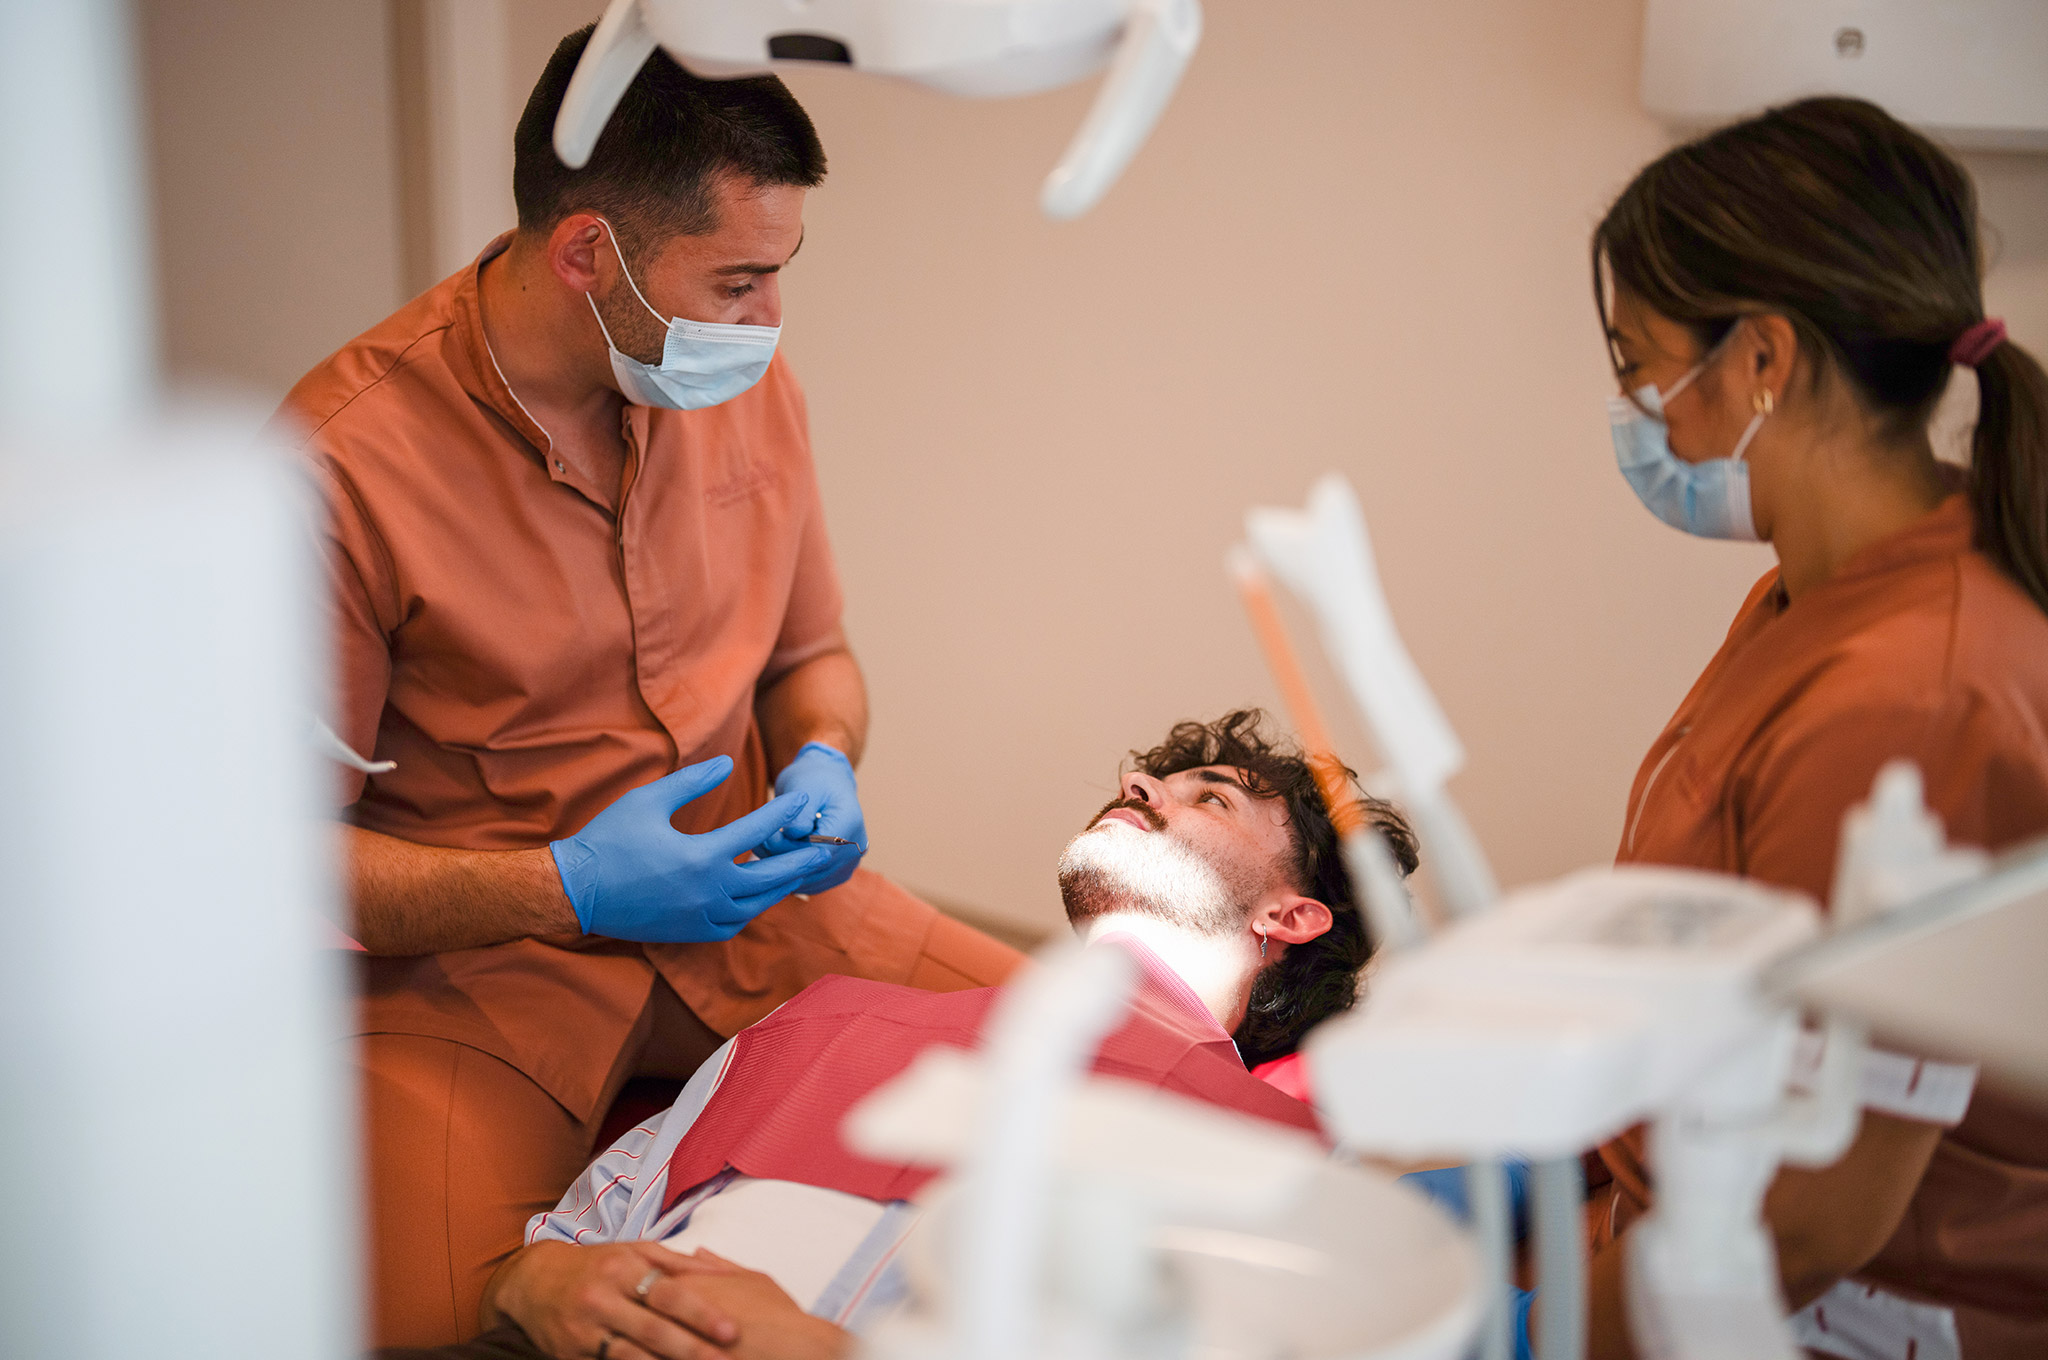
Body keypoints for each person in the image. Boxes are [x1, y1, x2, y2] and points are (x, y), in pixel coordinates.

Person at [277, 27, 1021, 1346]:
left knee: (1102, 1062)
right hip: (485, 972)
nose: (769, 320)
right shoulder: (337, 470)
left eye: (780, 273)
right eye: (738, 280)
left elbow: (811, 661)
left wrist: (825, 754)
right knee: (432, 1319)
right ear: (587, 254)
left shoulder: (741, 380)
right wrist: (562, 887)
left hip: (759, 905)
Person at [369, 711, 1418, 1360]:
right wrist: (536, 1282)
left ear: (1290, 915)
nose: (1136, 785)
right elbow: (569, 1239)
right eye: (1152, 778)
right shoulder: (823, 1012)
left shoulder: (1284, 1166)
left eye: (1210, 797)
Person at [1591, 97, 2048, 1359]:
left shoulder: (1919, 690)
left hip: (1825, 1303)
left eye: (1637, 362)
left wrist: (1539, 1332)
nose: (1635, 409)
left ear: (1761, 359)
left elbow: (1811, 1219)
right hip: (1681, 1204)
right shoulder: (1822, 585)